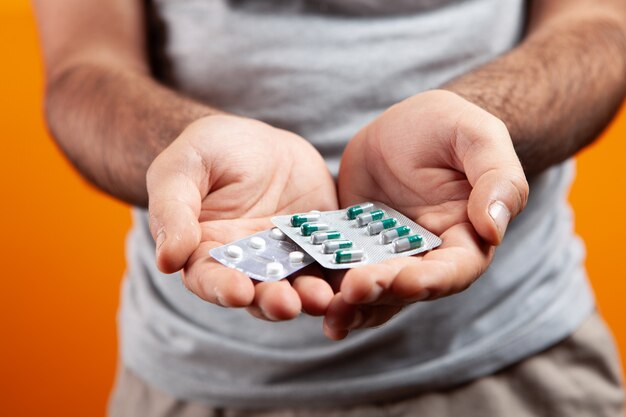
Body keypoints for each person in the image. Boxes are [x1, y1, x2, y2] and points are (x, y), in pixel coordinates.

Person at [33, 0, 626, 416]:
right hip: (192, 373)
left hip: (515, 352)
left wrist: (479, 126)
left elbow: (602, 21)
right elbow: (84, 64)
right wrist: (187, 146)